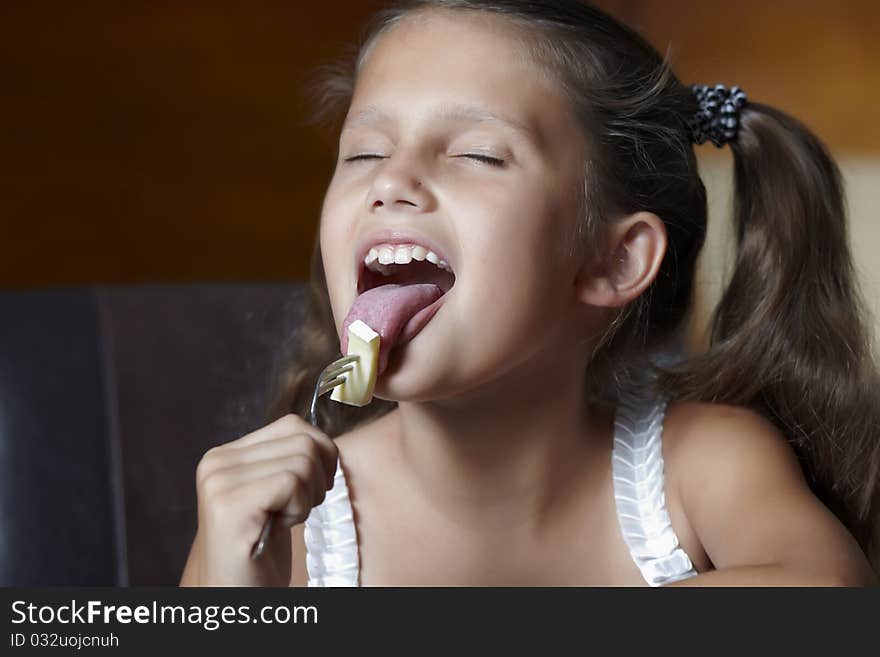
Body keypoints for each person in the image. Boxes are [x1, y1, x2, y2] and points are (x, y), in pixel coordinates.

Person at [180, 0, 880, 587]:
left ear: (611, 259)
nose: (391, 181)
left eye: (477, 154)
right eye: (364, 152)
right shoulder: (299, 530)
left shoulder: (699, 464)